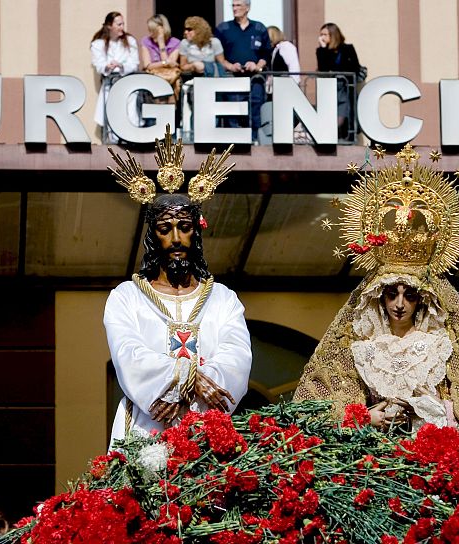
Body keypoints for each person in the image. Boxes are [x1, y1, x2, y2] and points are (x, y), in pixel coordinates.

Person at [293, 144, 459, 437]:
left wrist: (432, 410)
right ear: (379, 298)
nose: (399, 304)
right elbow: (329, 406)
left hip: (429, 447)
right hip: (373, 454)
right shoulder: (362, 344)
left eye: (410, 295)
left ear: (423, 301)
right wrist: (364, 419)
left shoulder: (440, 343)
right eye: (391, 294)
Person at [105, 133, 252, 443]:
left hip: (206, 427)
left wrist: (195, 385)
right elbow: (128, 354)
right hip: (148, 424)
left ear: (195, 233)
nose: (175, 239)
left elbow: (237, 354)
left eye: (184, 228)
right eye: (164, 229)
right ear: (152, 236)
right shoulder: (126, 297)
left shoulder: (222, 299)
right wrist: (189, 378)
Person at [215, 0, 271, 142]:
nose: (235, 8)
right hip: (232, 78)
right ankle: (235, 145)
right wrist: (229, 65)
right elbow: (216, 54)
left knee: (255, 111)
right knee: (233, 114)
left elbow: (266, 54)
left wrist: (257, 65)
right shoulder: (223, 29)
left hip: (255, 80)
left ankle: (255, 143)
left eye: (238, 5)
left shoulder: (259, 28)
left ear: (247, 8)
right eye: (233, 5)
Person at [90, 11, 139, 140]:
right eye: (119, 24)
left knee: (130, 113)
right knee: (111, 113)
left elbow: (134, 63)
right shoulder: (98, 44)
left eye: (123, 24)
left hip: (128, 84)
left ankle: (131, 139)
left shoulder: (130, 41)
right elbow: (98, 63)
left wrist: (122, 66)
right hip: (110, 85)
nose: (122, 27)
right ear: (109, 26)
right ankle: (114, 142)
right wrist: (107, 66)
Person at [316, 22, 361, 140]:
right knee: (329, 115)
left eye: (325, 34)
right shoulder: (322, 51)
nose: (322, 37)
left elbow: (355, 67)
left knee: (343, 116)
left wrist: (338, 71)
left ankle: (339, 138)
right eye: (321, 35)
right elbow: (323, 69)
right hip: (330, 88)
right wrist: (323, 49)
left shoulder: (347, 49)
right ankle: (331, 138)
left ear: (333, 34)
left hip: (345, 88)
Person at [139, 14, 181, 101]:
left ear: (162, 30)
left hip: (170, 81)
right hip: (153, 79)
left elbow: (171, 66)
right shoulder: (146, 41)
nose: (150, 34)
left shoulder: (175, 43)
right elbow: (148, 65)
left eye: (153, 30)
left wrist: (161, 42)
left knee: (172, 89)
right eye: (149, 30)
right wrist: (165, 63)